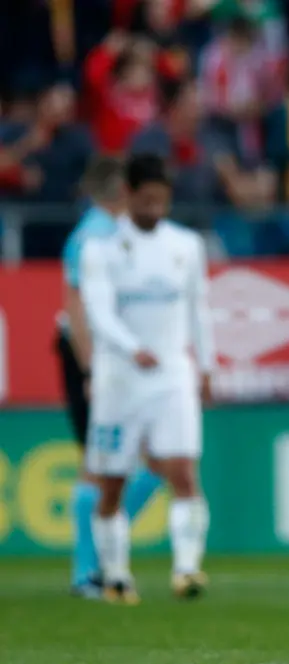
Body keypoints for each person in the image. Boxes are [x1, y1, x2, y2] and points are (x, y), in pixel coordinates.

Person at [79, 154, 215, 604]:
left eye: (163, 200)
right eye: (148, 199)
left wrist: (207, 365)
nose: (156, 208)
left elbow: (199, 308)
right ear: (129, 195)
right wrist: (130, 346)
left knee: (182, 471)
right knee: (113, 481)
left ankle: (187, 570)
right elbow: (96, 311)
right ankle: (116, 575)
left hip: (172, 373)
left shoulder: (186, 246)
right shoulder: (100, 250)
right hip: (119, 377)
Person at [58, 157, 163, 599]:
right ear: (122, 189)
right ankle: (88, 573)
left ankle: (97, 561)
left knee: (152, 457)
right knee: (101, 464)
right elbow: (76, 306)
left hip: (118, 357)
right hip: (97, 358)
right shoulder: (93, 237)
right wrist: (88, 367)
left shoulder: (110, 233)